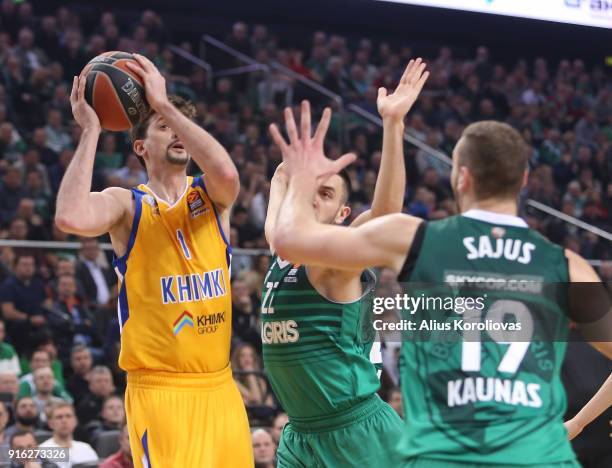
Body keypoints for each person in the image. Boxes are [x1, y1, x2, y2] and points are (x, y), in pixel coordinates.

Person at [269, 98, 612, 466]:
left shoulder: (418, 240)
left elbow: (287, 241)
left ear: (460, 176)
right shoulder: (566, 266)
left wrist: (291, 179)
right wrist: (576, 424)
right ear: (525, 180)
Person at [55, 55, 252, 467]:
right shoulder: (126, 204)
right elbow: (70, 216)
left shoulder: (211, 197)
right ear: (140, 146)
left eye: (181, 124)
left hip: (220, 386)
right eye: (165, 126)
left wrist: (165, 107)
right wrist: (91, 130)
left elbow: (230, 176)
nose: (177, 131)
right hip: (161, 391)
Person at [262, 59, 428, 467]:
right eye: (311, 190)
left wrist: (392, 126)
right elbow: (280, 207)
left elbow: (386, 213)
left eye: (326, 194)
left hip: (357, 431)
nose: (314, 196)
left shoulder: (333, 261)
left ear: (343, 215)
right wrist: (287, 174)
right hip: (301, 433)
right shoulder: (284, 251)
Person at [39, 402, 98, 468]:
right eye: (59, 417)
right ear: (50, 423)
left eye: (68, 416)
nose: (64, 420)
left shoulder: (86, 448)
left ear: (75, 421)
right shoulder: (42, 451)